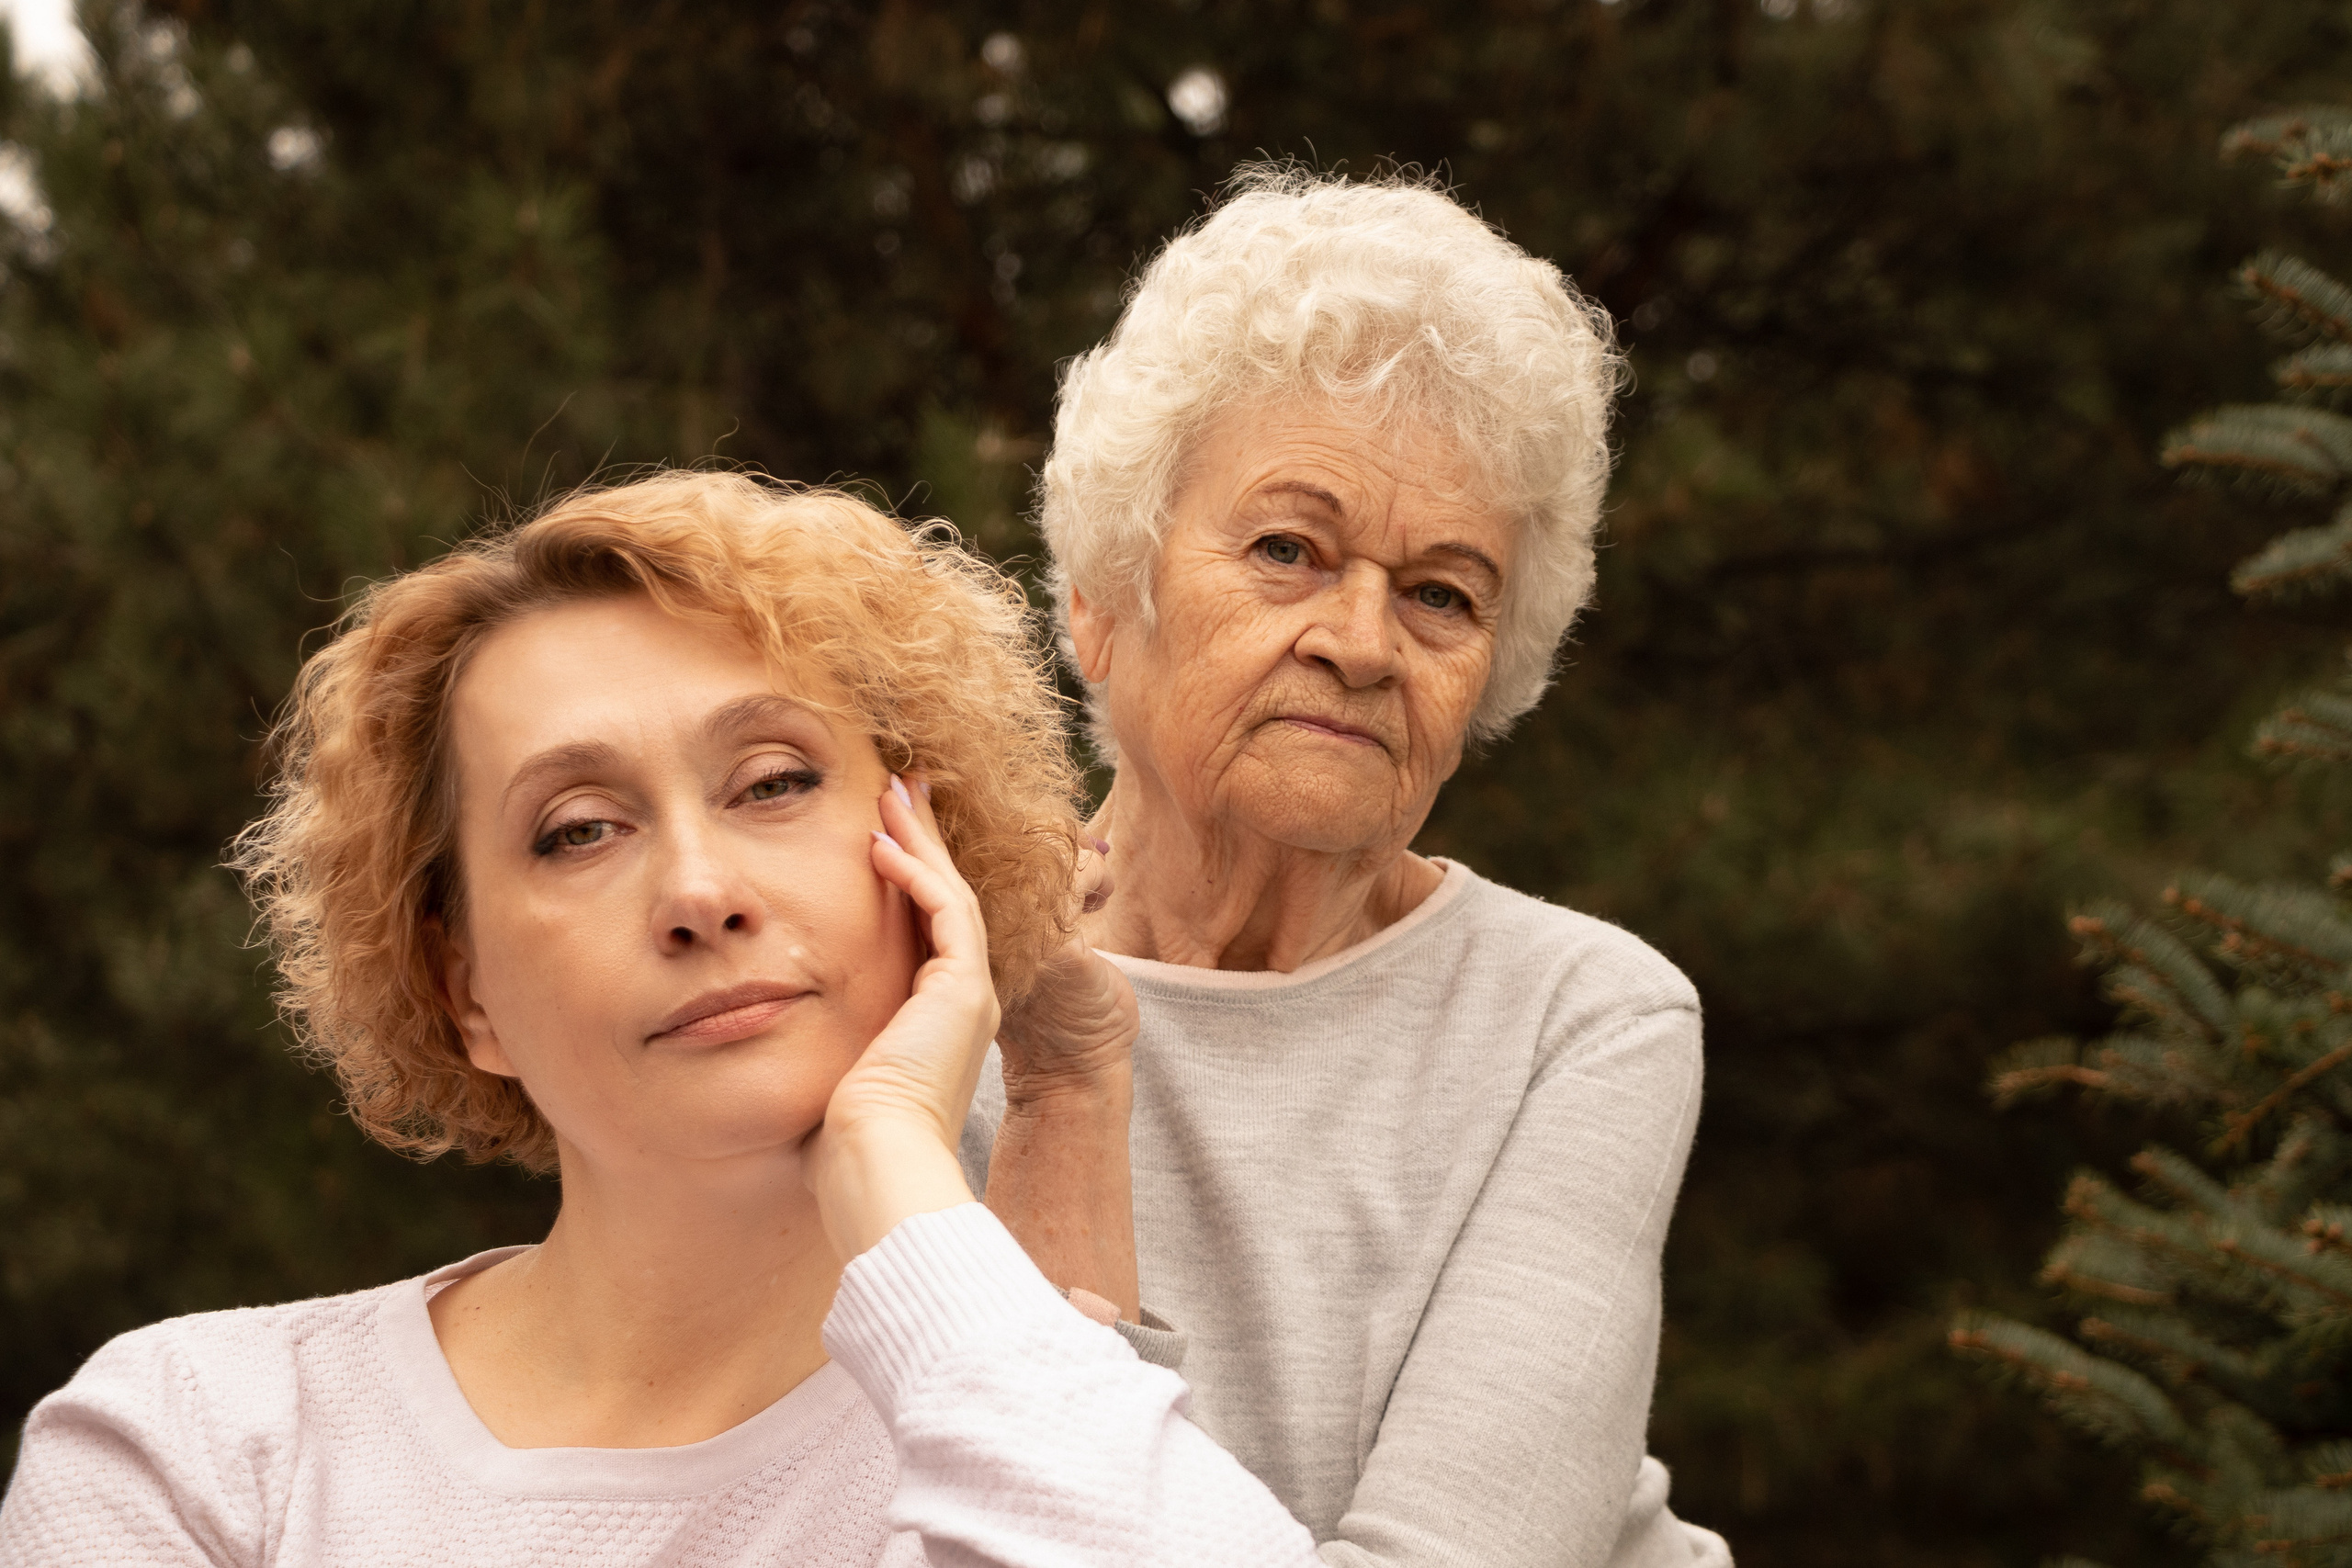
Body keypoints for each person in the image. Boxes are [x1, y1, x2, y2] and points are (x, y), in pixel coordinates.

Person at [0, 472, 1326, 1566]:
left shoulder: (1032, 1431)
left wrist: (895, 1166)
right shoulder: (194, 1450)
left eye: (773, 782)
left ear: (934, 856)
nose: (698, 891)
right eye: (578, 830)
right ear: (463, 990)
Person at [967, 167, 1736, 1567]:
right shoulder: (927, 990)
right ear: (1098, 602)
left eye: (1441, 593)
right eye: (1288, 550)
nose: (1363, 643)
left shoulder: (1578, 1018)